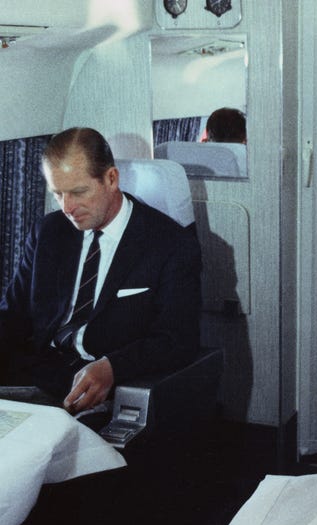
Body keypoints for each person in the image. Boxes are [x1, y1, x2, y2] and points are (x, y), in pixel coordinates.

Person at [0, 127, 202, 415]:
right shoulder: (49, 231)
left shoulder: (170, 245)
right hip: (36, 376)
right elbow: (12, 314)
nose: (67, 207)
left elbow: (178, 339)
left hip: (106, 387)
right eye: (58, 194)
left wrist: (112, 367)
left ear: (111, 179)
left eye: (79, 192)